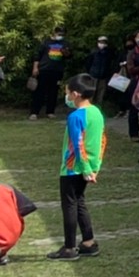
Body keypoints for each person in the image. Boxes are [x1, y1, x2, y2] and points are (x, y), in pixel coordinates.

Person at [48, 75, 104, 261]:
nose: (67, 96)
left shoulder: (75, 117)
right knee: (79, 202)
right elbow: (102, 140)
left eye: (68, 93)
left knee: (70, 206)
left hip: (73, 168)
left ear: (76, 94)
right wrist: (95, 166)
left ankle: (69, 247)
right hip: (89, 166)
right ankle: (88, 242)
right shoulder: (96, 112)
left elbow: (78, 143)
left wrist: (86, 169)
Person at [28, 26, 70, 120]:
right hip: (44, 69)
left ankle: (50, 111)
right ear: (54, 33)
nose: (60, 36)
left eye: (62, 34)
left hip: (57, 70)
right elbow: (37, 56)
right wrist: (35, 68)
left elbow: (69, 56)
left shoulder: (65, 43)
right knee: (39, 91)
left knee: (53, 92)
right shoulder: (46, 42)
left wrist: (65, 52)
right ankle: (34, 112)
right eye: (59, 34)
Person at [121, 31, 139, 139]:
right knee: (134, 108)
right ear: (135, 39)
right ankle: (134, 133)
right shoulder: (132, 53)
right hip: (136, 82)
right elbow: (131, 69)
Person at [83, 37, 116, 112]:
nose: (102, 44)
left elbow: (110, 64)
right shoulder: (93, 52)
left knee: (100, 95)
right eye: (100, 42)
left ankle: (97, 110)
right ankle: (88, 109)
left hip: (103, 76)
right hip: (93, 75)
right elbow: (88, 63)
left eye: (104, 42)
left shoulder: (108, 53)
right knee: (91, 93)